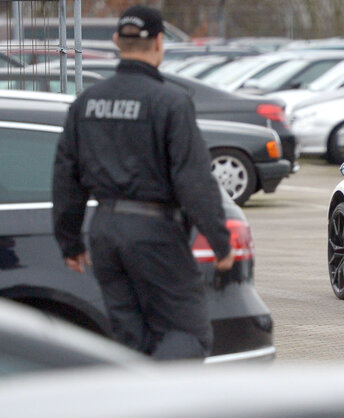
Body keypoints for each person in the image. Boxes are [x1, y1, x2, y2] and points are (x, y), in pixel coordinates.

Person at [52, 5, 234, 360]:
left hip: (105, 233)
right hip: (155, 235)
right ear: (159, 42)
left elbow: (66, 175)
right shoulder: (170, 102)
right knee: (184, 334)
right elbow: (193, 178)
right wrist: (219, 241)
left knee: (129, 341)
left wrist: (69, 240)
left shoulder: (86, 102)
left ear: (118, 40)